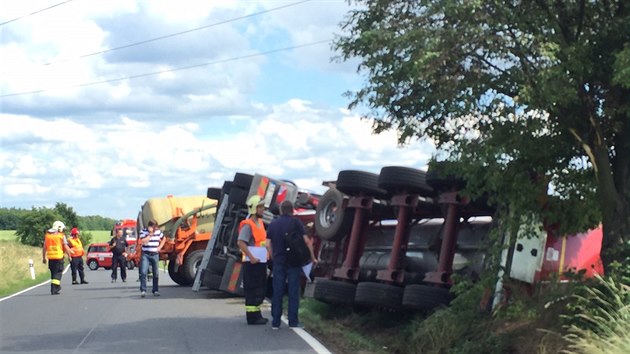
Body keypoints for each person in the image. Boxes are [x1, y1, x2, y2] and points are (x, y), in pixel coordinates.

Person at [266, 200, 317, 329]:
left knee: (277, 290)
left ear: (281, 210)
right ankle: (293, 322)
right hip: (294, 262)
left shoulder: (273, 224)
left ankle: (275, 322)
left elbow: (267, 244)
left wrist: (273, 257)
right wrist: (312, 257)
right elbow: (307, 241)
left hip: (279, 261)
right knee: (293, 291)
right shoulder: (296, 223)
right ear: (292, 210)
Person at [237, 195, 269, 325]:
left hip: (260, 262)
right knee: (251, 290)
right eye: (260, 207)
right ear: (254, 208)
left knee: (259, 289)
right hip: (252, 263)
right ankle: (252, 317)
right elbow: (240, 242)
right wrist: (251, 257)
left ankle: (257, 315)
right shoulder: (248, 225)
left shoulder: (260, 223)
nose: (263, 209)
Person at [42, 220, 74, 295]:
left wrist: (44, 257)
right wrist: (69, 256)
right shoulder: (61, 236)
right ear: (59, 228)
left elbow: (44, 247)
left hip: (50, 258)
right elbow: (65, 246)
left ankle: (55, 287)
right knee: (58, 273)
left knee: (53, 273)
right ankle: (54, 288)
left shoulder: (47, 236)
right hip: (58, 257)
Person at [139, 220, 165, 297]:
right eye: (153, 227)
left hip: (155, 254)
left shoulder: (158, 232)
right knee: (143, 272)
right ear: (149, 227)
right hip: (145, 254)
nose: (155, 229)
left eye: (155, 227)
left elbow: (164, 238)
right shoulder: (143, 231)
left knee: (155, 273)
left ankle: (155, 290)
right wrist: (150, 234)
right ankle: (143, 290)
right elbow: (144, 241)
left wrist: (160, 247)